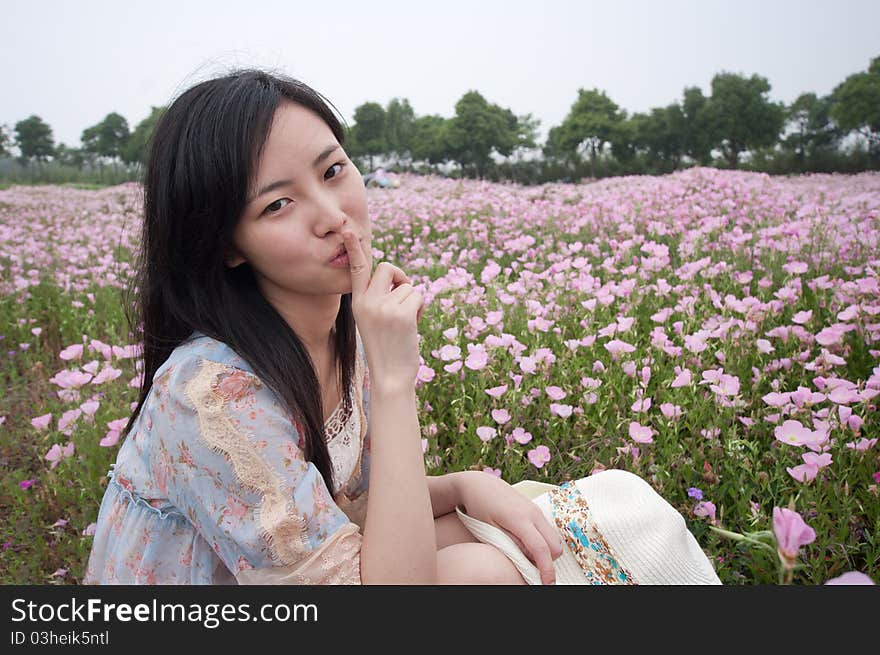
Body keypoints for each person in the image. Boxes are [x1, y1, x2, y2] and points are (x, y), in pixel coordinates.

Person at [84, 69, 721, 585]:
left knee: (578, 513)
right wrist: (393, 379)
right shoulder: (209, 399)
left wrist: (467, 485)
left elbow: (355, 509)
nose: (335, 216)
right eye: (278, 204)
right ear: (228, 245)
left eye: (333, 171)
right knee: (481, 570)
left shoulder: (339, 322)